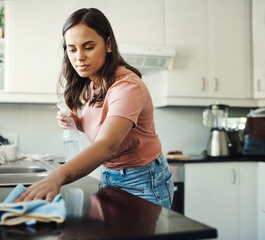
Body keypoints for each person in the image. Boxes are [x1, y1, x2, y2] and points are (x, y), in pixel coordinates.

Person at [15, 8, 174, 209]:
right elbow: (105, 127)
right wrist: (78, 123)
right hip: (110, 175)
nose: (79, 57)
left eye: (88, 47)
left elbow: (107, 145)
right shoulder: (94, 83)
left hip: (142, 181)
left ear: (108, 44)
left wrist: (57, 176)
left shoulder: (126, 87)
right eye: (72, 49)